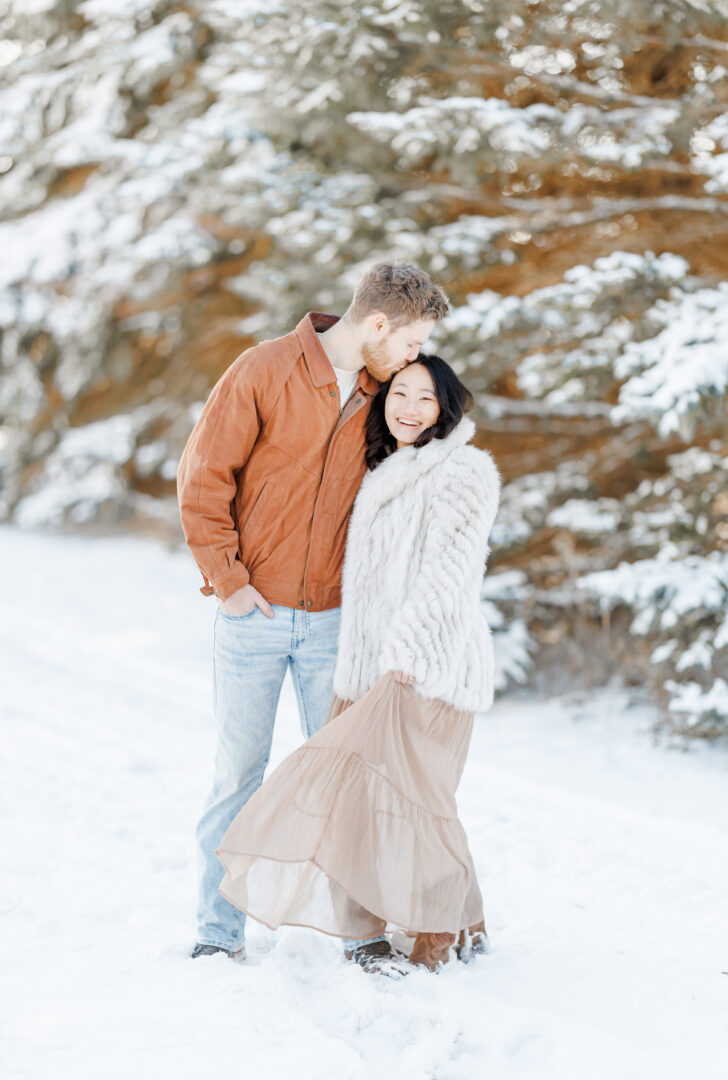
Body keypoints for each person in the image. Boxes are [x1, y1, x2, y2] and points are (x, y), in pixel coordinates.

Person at [177, 263, 450, 961]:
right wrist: (230, 583)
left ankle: (361, 934)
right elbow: (204, 477)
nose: (415, 358)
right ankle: (216, 935)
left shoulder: (380, 396)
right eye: (413, 342)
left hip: (334, 622)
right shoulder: (264, 369)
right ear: (380, 325)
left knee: (348, 775)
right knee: (238, 771)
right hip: (254, 617)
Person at [215, 354, 502, 974]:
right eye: (400, 394)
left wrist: (409, 652)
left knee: (419, 798)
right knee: (377, 800)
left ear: (447, 407)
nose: (409, 408)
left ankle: (442, 930)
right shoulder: (386, 469)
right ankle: (433, 925)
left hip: (426, 663)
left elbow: (450, 571)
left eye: (426, 399)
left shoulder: (463, 469)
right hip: (370, 665)